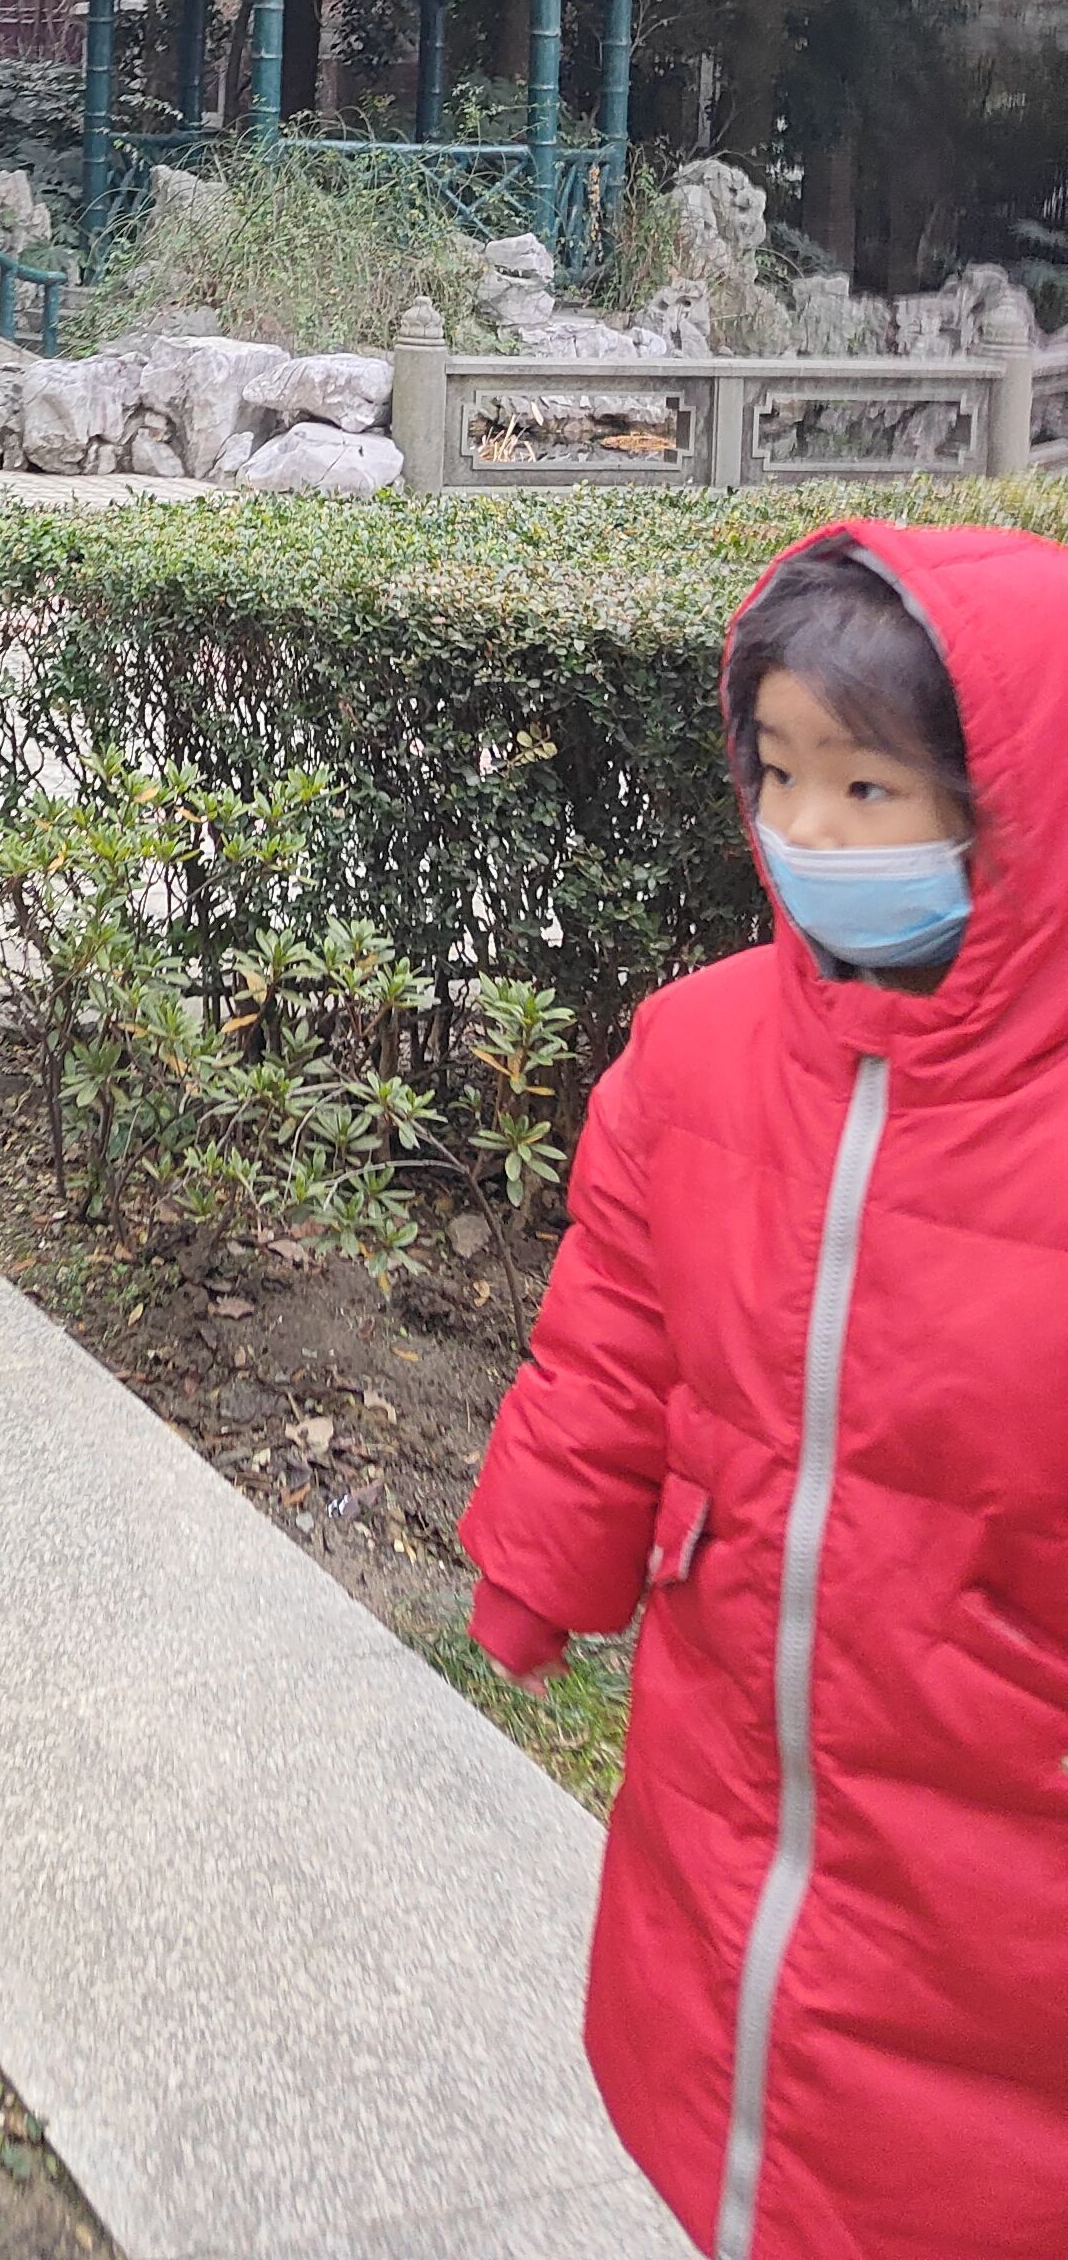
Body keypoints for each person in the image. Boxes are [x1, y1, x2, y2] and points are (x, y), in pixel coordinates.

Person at [460, 518, 1068, 2260]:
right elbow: (617, 1335)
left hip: (1001, 1833)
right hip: (729, 1759)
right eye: (779, 773)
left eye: (869, 788)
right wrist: (540, 1562)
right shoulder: (705, 1048)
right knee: (742, 2107)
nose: (808, 832)